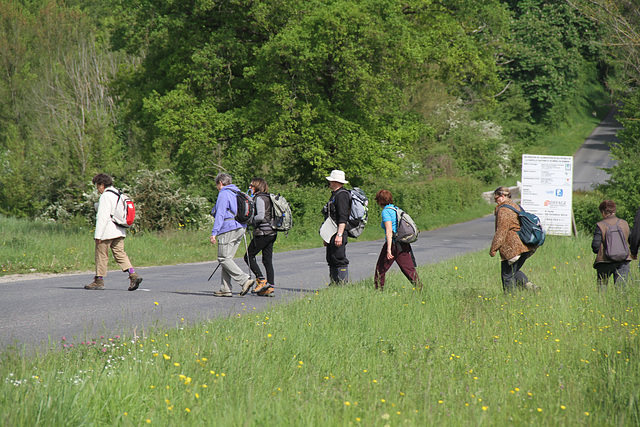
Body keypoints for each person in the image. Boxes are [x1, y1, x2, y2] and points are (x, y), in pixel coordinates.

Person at [85, 173, 143, 291]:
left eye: (97, 186)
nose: (97, 189)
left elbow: (103, 217)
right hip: (119, 230)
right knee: (120, 254)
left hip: (107, 231)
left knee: (101, 255)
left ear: (102, 184)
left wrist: (98, 235)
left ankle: (99, 280)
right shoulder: (120, 194)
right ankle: (133, 275)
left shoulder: (106, 196)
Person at [210, 173, 255, 297]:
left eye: (216, 185)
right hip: (241, 228)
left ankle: (244, 280)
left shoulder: (224, 193)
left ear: (220, 183)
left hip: (228, 228)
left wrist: (214, 233)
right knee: (227, 258)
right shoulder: (237, 192)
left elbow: (220, 214)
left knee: (223, 258)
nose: (217, 187)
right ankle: (225, 288)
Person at [489, 186, 538, 294]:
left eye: (496, 198)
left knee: (507, 275)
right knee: (513, 271)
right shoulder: (515, 206)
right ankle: (529, 286)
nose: (496, 201)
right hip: (525, 246)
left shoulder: (504, 210)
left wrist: (493, 248)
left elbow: (501, 231)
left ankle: (510, 300)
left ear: (502, 196)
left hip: (512, 248)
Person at [373, 190, 422, 291]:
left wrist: (388, 249)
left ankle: (378, 291)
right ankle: (419, 288)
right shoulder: (396, 209)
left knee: (380, 269)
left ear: (379, 201)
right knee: (408, 269)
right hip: (403, 243)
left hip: (393, 244)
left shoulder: (386, 212)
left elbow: (389, 230)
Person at [243, 177, 276, 297]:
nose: (249, 187)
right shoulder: (268, 197)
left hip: (263, 233)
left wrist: (249, 220)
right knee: (267, 260)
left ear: (257, 186)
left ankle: (261, 280)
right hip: (272, 232)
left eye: (251, 185)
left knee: (248, 256)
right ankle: (270, 288)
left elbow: (261, 216)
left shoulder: (259, 198)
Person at [591, 200, 631, 291]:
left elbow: (595, 246)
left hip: (604, 262)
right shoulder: (624, 223)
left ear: (603, 212)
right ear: (615, 211)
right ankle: (621, 305)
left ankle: (602, 304)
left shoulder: (600, 225)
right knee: (622, 290)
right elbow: (632, 239)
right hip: (623, 260)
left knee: (602, 290)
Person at [322, 170, 351, 284]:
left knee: (339, 258)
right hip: (331, 232)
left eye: (331, 180)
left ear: (336, 181)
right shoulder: (335, 194)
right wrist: (326, 236)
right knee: (331, 258)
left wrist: (339, 235)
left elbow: (343, 216)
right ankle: (334, 284)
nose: (329, 182)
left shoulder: (342, 195)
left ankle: (342, 284)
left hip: (338, 232)